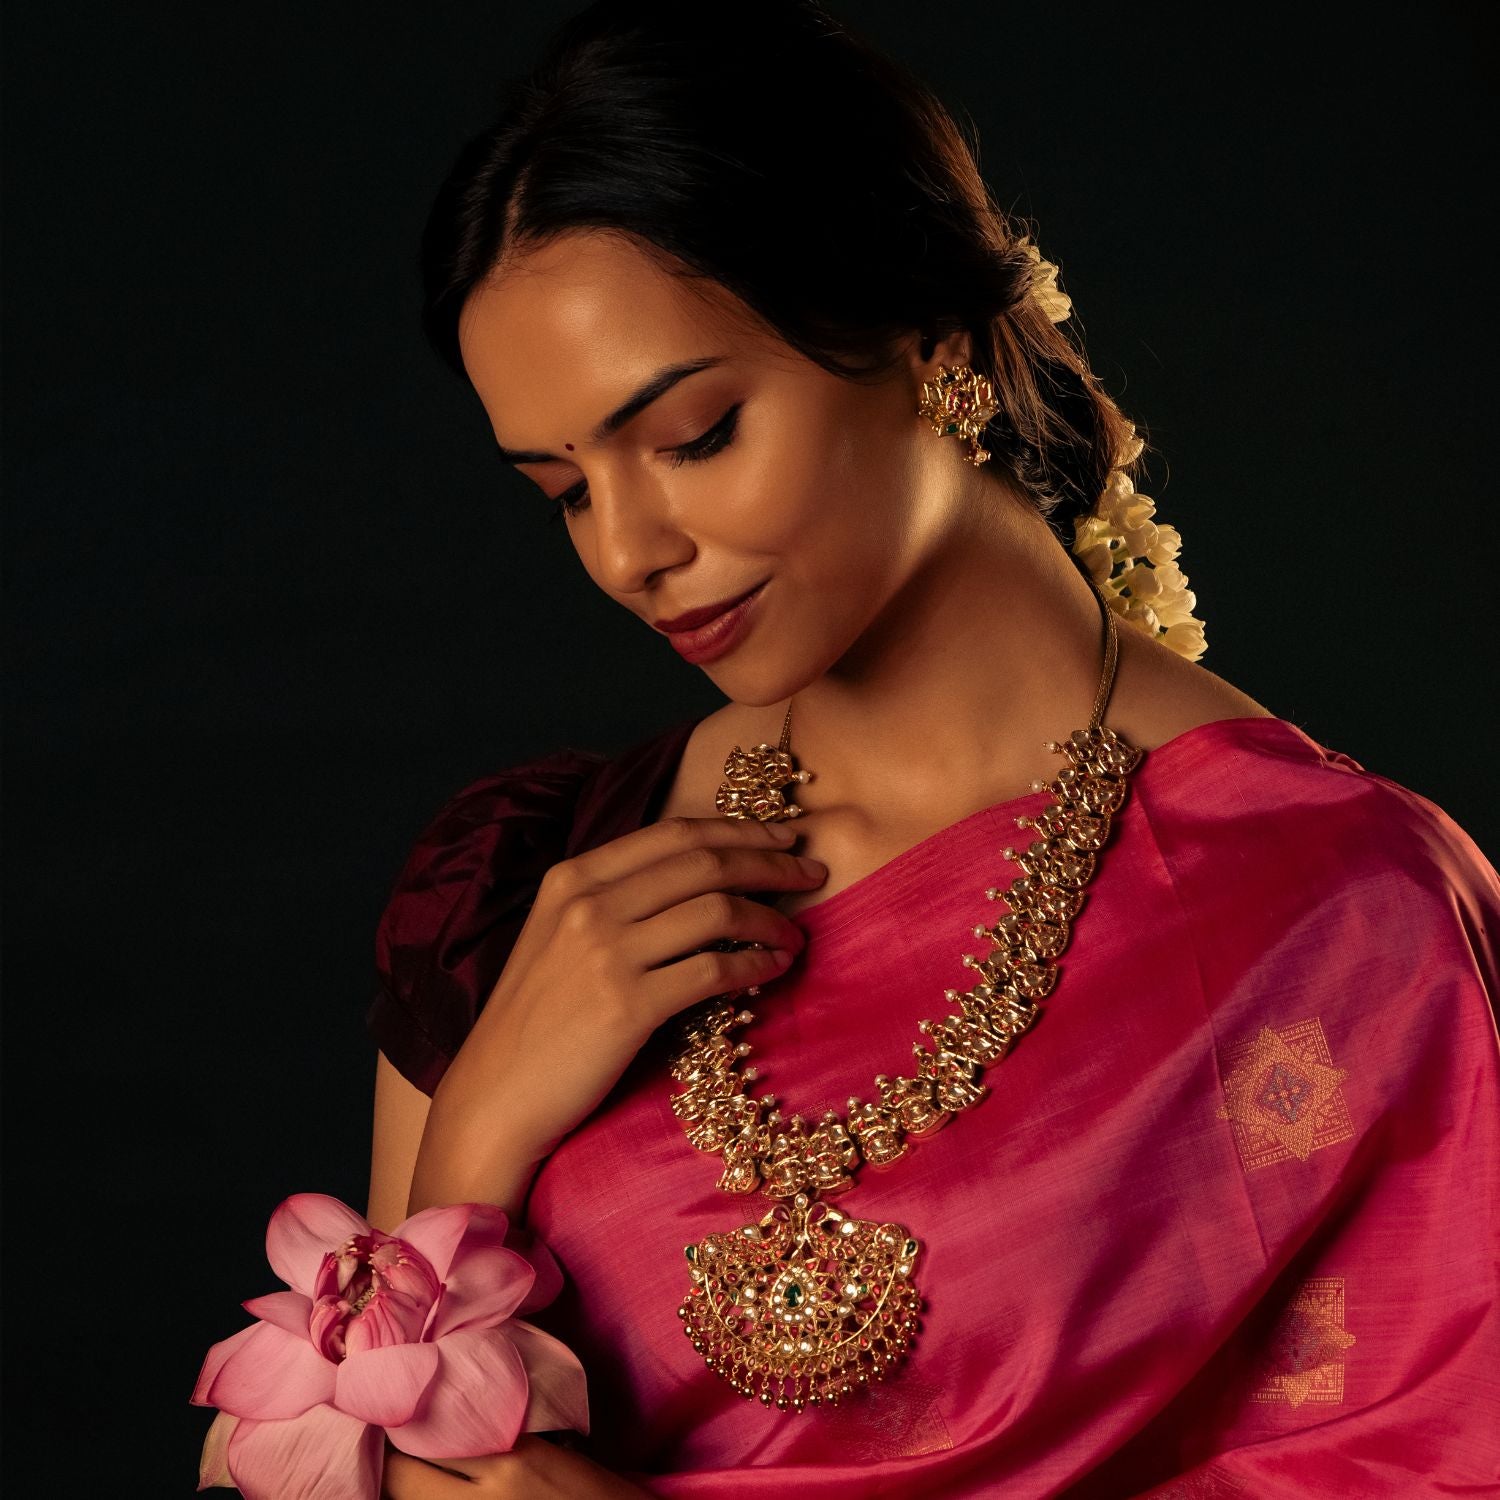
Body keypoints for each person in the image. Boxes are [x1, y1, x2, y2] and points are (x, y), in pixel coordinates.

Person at [364, 2, 1500, 1495]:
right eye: (564, 490)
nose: (631, 550)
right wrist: (478, 1145)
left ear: (933, 343)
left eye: (695, 436)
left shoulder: (1337, 911)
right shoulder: (532, 881)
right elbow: (342, 1458)